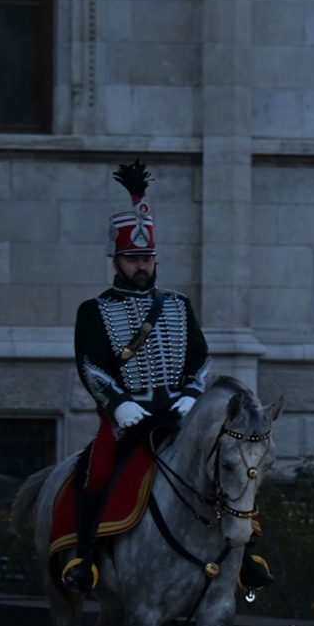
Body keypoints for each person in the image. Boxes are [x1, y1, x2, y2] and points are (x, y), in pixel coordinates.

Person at [54, 161, 210, 593]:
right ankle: (86, 555)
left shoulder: (178, 305)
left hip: (179, 417)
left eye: (147, 258)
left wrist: (191, 394)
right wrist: (119, 404)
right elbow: (91, 366)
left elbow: (200, 356)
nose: (142, 266)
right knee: (99, 469)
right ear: (116, 261)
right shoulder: (94, 311)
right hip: (127, 419)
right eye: (133, 259)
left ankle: (246, 551)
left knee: (227, 464)